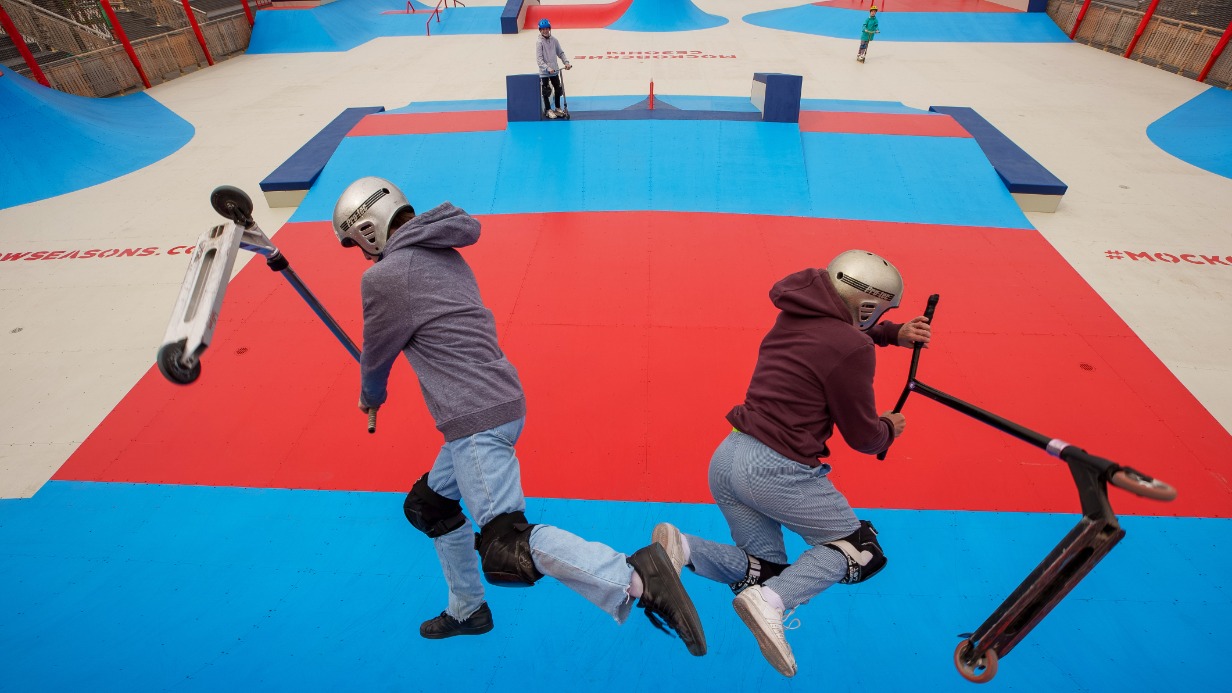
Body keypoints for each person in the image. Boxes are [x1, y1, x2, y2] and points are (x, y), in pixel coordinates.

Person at [331, 176, 706, 656]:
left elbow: (377, 351)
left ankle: (634, 577)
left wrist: (371, 394)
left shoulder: (384, 277)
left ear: (367, 229)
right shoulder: (441, 249)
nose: (362, 255)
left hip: (474, 417)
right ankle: (468, 609)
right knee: (431, 506)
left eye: (356, 243)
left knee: (507, 542)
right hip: (498, 403)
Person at [650, 250, 932, 677]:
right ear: (867, 307)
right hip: (775, 470)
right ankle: (771, 603)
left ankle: (685, 547)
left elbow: (833, 337)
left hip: (728, 457)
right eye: (882, 313)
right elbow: (862, 436)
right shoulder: (853, 346)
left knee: (767, 570)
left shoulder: (796, 311)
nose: (880, 319)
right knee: (860, 550)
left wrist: (893, 333)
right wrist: (888, 429)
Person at [535, 18, 571, 119]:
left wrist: (566, 62)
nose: (545, 31)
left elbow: (560, 53)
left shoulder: (554, 40)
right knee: (546, 91)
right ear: (540, 30)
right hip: (545, 72)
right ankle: (548, 110)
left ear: (549, 29)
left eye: (547, 29)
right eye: (543, 29)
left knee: (558, 89)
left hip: (554, 70)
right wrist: (547, 68)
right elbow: (539, 59)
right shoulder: (539, 42)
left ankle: (557, 108)